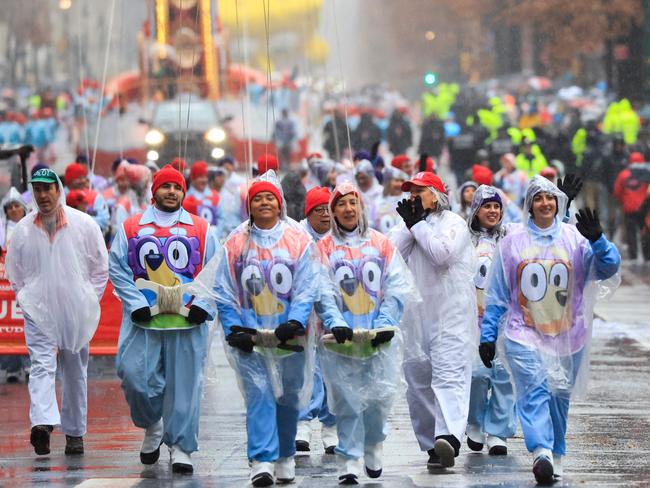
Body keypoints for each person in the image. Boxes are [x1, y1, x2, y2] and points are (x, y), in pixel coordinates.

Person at [479, 176, 620, 483]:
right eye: (538, 198)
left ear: (558, 203)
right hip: (522, 334)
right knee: (534, 391)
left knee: (558, 398)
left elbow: (608, 268)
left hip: (568, 335)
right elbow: (498, 294)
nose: (545, 203)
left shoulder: (575, 238)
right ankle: (541, 450)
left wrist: (599, 241)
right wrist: (488, 335)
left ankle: (556, 452)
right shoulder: (512, 243)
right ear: (529, 205)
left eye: (550, 198)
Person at [109, 165, 218, 474]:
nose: (172, 192)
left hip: (187, 322)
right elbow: (116, 267)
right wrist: (134, 303)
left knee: (184, 385)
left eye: (177, 187)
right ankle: (151, 423)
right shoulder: (131, 227)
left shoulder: (202, 228)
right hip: (144, 321)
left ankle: (181, 446)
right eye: (166, 186)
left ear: (183, 193)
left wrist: (203, 305)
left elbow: (215, 269)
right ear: (154, 191)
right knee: (134, 376)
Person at [213, 171, 320, 486]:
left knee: (288, 395)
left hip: (290, 335)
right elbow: (224, 289)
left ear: (279, 203)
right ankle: (261, 458)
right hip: (252, 335)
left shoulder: (298, 240)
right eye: (257, 198)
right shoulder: (236, 241)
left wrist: (296, 321)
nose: (263, 203)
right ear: (249, 205)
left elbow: (307, 284)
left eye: (269, 197)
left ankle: (286, 454)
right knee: (259, 394)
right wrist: (234, 328)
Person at [5, 168, 108, 456]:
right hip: (39, 312)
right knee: (41, 365)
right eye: (37, 190)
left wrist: (89, 301)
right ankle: (42, 423)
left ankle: (75, 433)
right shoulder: (23, 230)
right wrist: (27, 301)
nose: (42, 195)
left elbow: (100, 268)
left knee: (75, 370)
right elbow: (15, 273)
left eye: (47, 188)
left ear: (58, 190)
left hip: (75, 311)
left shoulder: (84, 225)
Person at [317, 181, 414, 484]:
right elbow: (320, 290)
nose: (348, 209)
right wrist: (336, 322)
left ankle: (373, 443)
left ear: (362, 208)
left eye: (353, 202)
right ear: (333, 212)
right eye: (341, 204)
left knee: (377, 400)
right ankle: (349, 458)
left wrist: (385, 323)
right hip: (340, 341)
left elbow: (397, 286)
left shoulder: (382, 244)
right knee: (345, 400)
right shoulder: (323, 248)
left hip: (378, 339)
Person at [391, 171, 477, 470]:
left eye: (420, 191)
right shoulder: (409, 226)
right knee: (418, 380)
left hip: (450, 315)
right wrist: (410, 226)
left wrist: (417, 226)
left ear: (437, 194)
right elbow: (391, 257)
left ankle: (450, 436)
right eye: (411, 192)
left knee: (449, 374)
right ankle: (432, 444)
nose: (414, 197)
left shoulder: (454, 224)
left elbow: (442, 254)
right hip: (416, 318)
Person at [464, 186, 516, 456]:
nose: (493, 211)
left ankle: (497, 431)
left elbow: (541, 233)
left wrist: (563, 212)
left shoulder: (510, 237)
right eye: (487, 206)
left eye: (496, 206)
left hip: (507, 319)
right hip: (473, 318)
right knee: (477, 373)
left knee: (504, 375)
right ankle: (474, 421)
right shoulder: (465, 239)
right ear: (477, 210)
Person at [295, 186, 338, 453]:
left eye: (327, 209)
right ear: (308, 213)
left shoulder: (340, 237)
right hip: (303, 315)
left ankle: (331, 428)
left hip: (333, 314)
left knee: (332, 371)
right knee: (304, 370)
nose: (325, 215)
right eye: (318, 210)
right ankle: (302, 424)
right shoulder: (296, 236)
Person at [0, 188, 29, 383]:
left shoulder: (31, 226)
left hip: (27, 283)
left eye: (17, 205)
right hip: (5, 285)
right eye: (9, 207)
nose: (13, 210)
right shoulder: (1, 228)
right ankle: (11, 367)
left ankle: (29, 364)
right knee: (7, 326)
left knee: (27, 323)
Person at [613, 152, 650, 261]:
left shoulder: (624, 174)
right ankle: (647, 256)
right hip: (644, 208)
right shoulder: (647, 174)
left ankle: (633, 256)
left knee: (631, 233)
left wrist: (624, 201)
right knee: (645, 231)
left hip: (629, 208)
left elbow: (617, 191)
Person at [64, 162, 110, 234]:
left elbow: (104, 221)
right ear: (70, 181)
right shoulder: (61, 196)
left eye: (84, 177)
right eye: (79, 178)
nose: (83, 181)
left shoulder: (95, 196)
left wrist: (81, 221)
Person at [184, 160, 224, 237]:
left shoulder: (215, 196)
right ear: (193, 179)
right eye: (200, 177)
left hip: (213, 239)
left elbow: (221, 219)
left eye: (205, 177)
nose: (204, 180)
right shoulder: (185, 197)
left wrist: (215, 236)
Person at [370, 166, 408, 234]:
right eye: (396, 180)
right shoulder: (378, 201)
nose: (400, 184)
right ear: (388, 182)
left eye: (402, 181)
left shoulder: (408, 200)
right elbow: (372, 224)